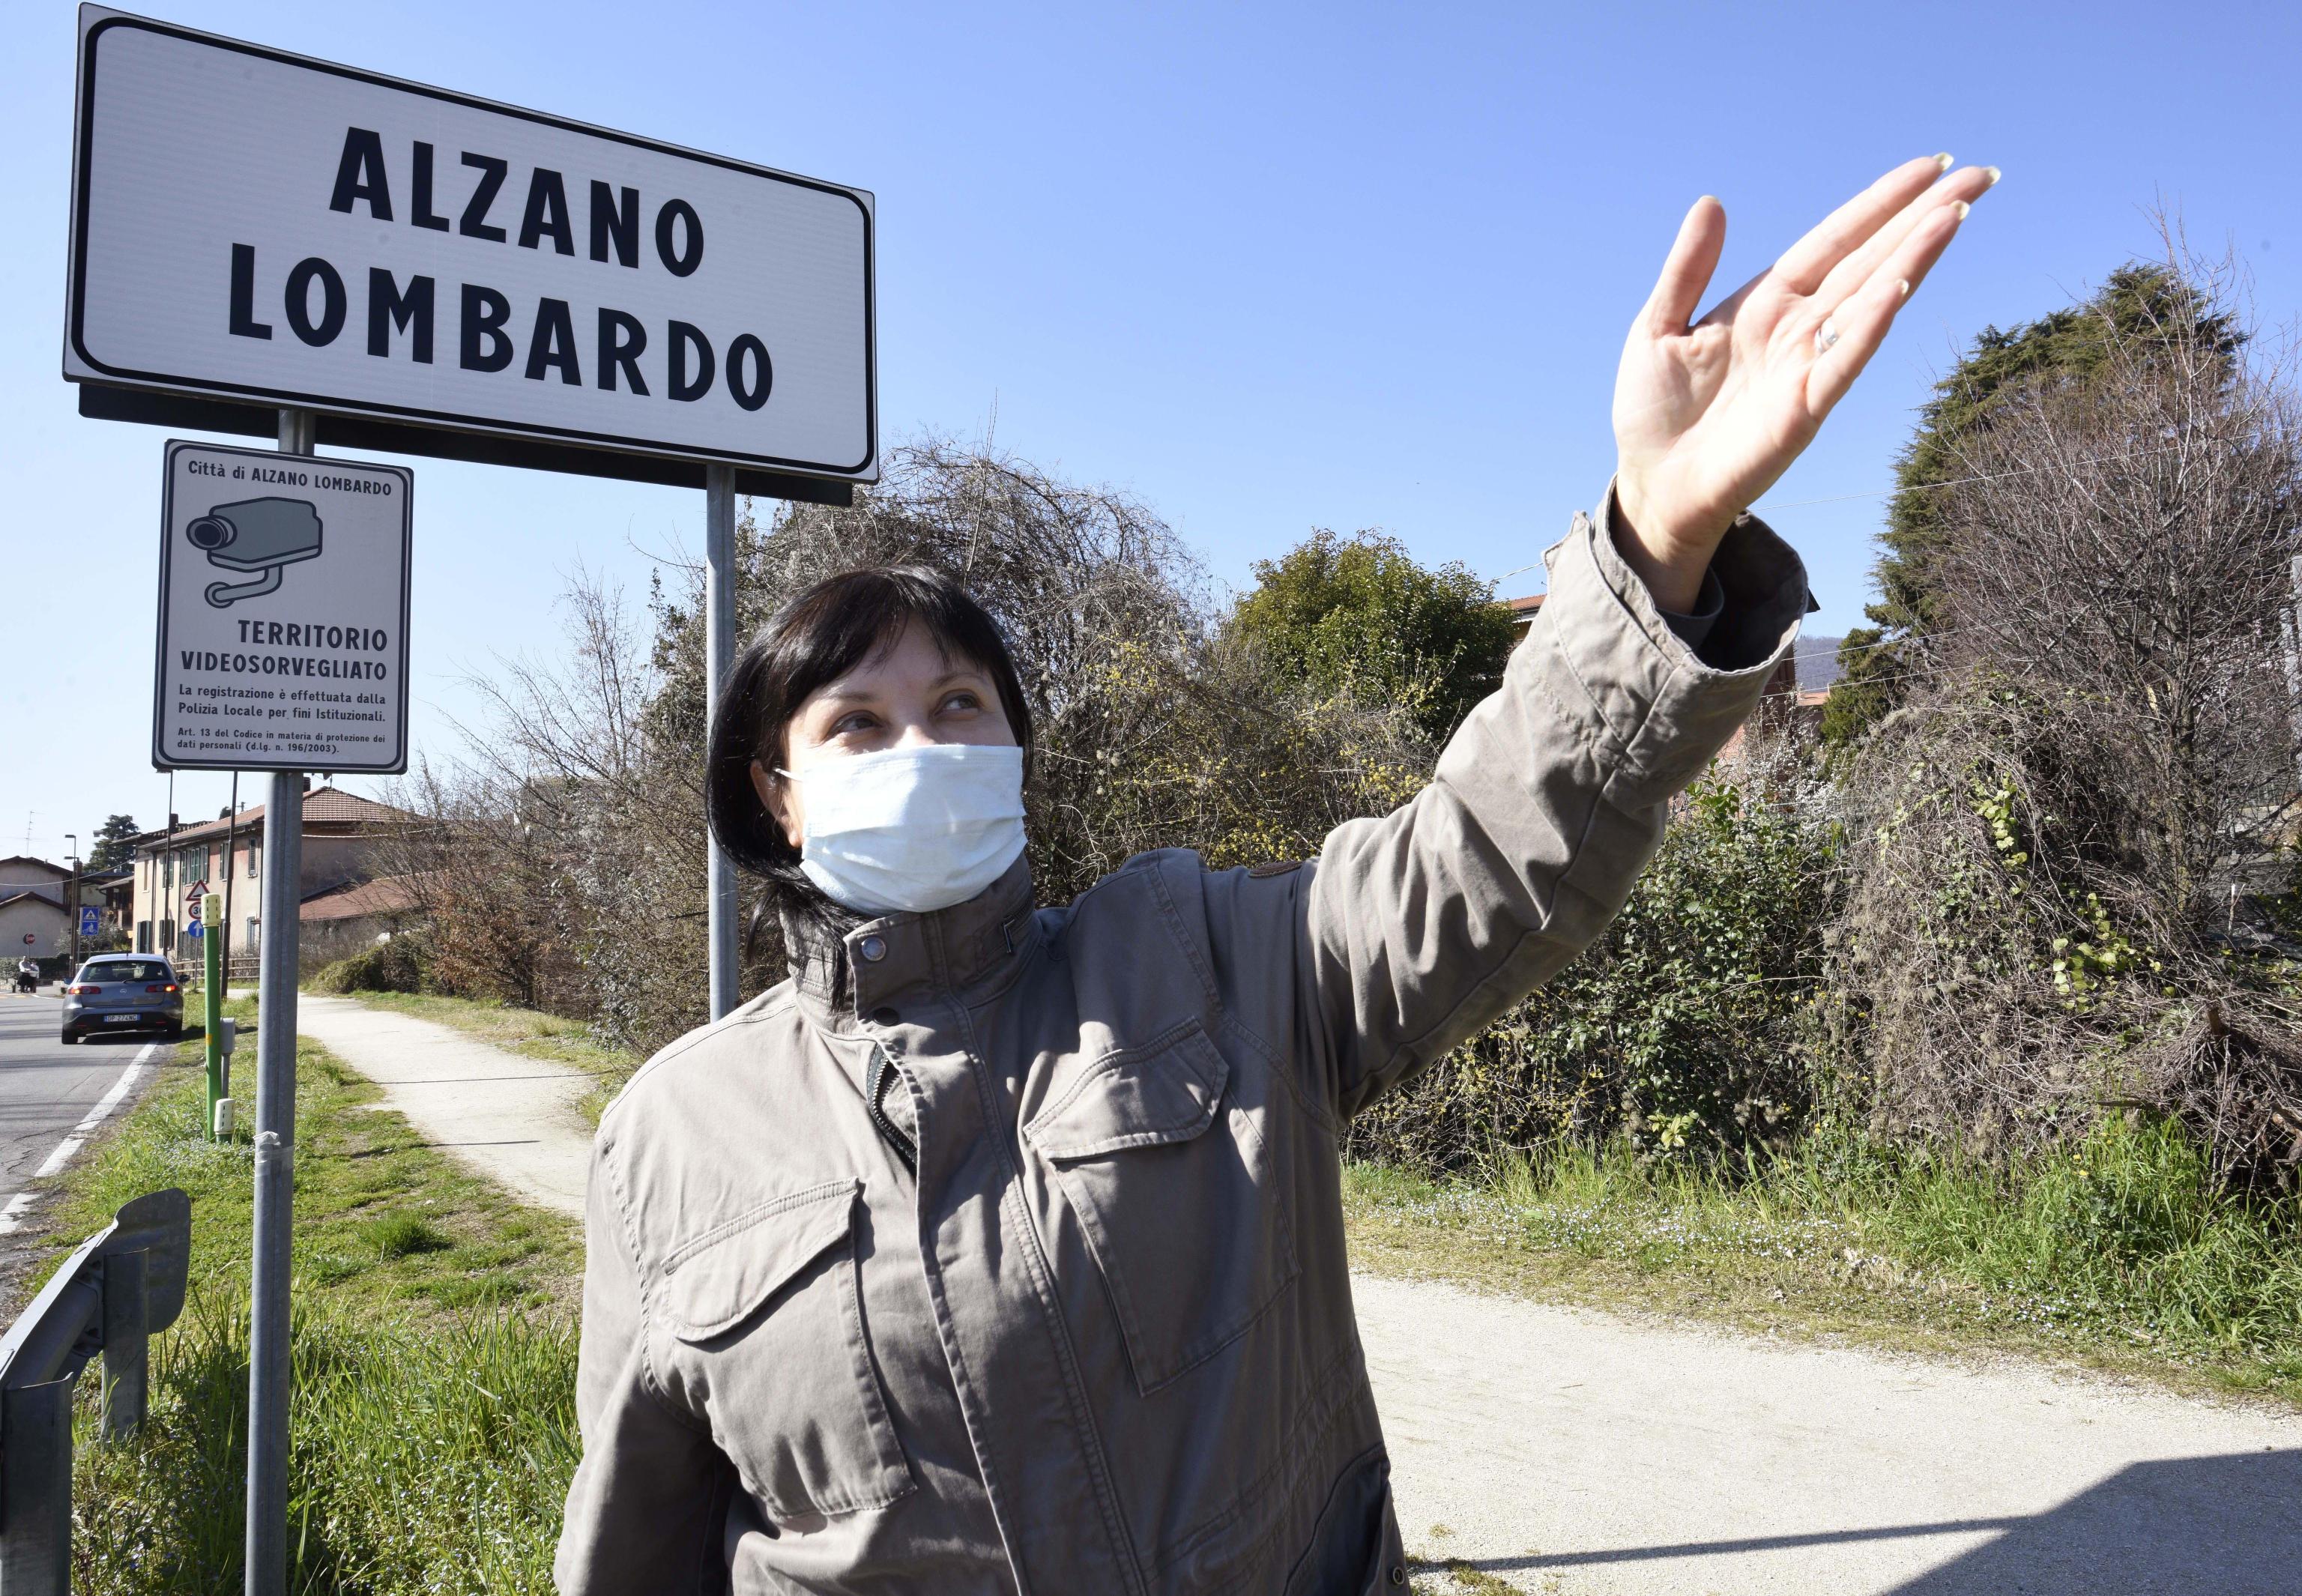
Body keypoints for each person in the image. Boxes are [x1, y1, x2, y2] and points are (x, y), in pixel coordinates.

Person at [555, 154, 1998, 1595]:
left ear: (1015, 752)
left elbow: (1482, 857)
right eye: (857, 723)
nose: (918, 747)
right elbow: (637, 1554)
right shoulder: (668, 1143)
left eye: (958, 708)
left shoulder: (1201, 958)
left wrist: (1660, 541)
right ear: (778, 796)